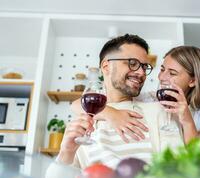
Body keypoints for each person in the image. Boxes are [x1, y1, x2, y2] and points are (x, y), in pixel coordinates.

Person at [56, 34, 184, 169]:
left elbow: (177, 170)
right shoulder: (84, 122)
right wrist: (66, 153)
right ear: (106, 66)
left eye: (144, 67)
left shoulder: (158, 111)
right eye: (132, 63)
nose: (141, 73)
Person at [72, 46, 200, 143]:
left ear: (192, 81)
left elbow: (198, 161)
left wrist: (186, 121)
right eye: (162, 69)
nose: (162, 77)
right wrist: (112, 114)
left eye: (172, 73)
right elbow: (77, 105)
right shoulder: (151, 99)